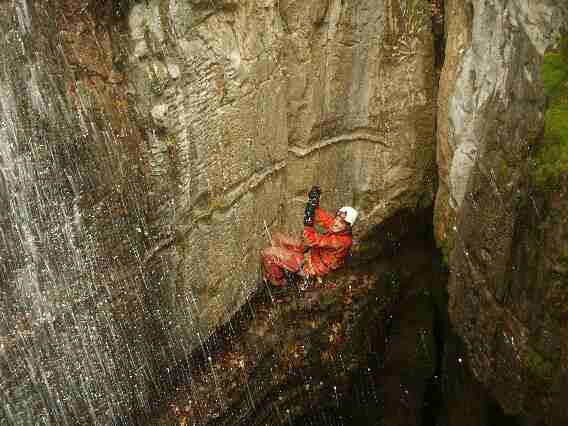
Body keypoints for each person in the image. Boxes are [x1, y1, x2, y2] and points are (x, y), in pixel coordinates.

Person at [261, 186, 358, 288]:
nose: (336, 223)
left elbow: (312, 240)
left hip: (312, 267)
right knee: (277, 238)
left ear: (348, 227)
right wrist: (313, 203)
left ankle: (280, 282)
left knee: (267, 253)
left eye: (341, 222)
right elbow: (321, 216)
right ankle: (284, 267)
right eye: (337, 218)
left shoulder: (343, 241)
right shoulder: (339, 227)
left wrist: (308, 223)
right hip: (311, 253)